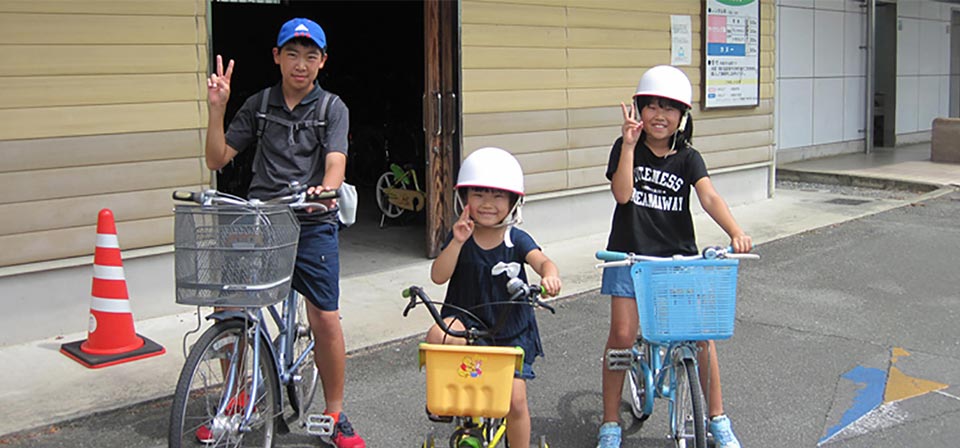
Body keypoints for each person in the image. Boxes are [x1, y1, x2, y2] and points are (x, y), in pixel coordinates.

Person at [204, 17, 365, 448]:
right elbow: (217, 158)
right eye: (292, 53)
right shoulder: (258, 105)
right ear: (276, 57)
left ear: (322, 61)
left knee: (324, 317)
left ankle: (334, 413)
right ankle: (236, 399)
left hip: (312, 219)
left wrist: (327, 190)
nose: (301, 63)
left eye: (311, 56)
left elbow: (335, 163)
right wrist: (217, 107)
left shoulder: (332, 108)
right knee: (230, 308)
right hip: (264, 220)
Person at [596, 65, 753, 448]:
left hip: (675, 261)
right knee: (622, 335)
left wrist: (734, 230)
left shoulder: (688, 158)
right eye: (651, 106)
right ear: (639, 109)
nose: (659, 115)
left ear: (682, 117)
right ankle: (611, 423)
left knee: (701, 338)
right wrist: (629, 146)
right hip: (630, 256)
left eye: (670, 108)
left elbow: (709, 196)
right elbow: (621, 194)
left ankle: (717, 417)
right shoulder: (625, 148)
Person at [427, 147, 562, 448]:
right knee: (438, 333)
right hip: (468, 323)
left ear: (514, 201)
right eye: (479, 194)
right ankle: (461, 413)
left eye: (498, 196)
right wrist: (457, 242)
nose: (488, 203)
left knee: (515, 400)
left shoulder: (516, 239)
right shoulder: (460, 236)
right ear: (464, 198)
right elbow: (438, 275)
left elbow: (543, 261)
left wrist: (550, 275)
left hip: (510, 331)